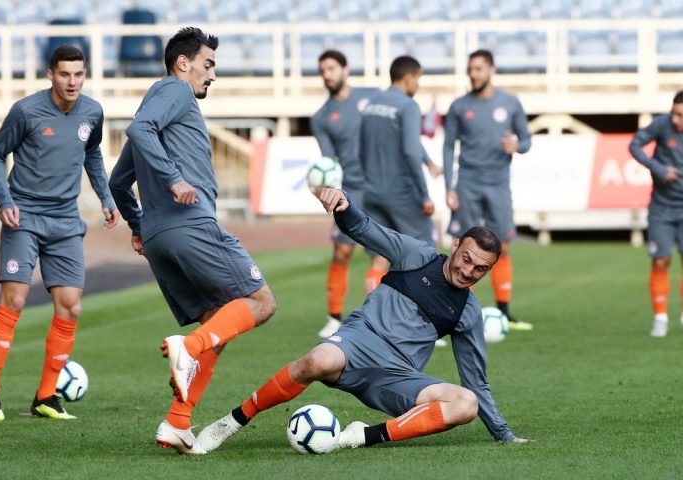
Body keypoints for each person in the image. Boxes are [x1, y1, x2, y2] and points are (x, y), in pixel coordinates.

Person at [193, 188, 529, 454]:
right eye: (466, 259)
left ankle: (360, 436)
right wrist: (344, 205)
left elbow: (475, 381)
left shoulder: (468, 312)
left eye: (480, 269)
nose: (468, 271)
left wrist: (504, 434)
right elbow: (363, 228)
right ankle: (232, 421)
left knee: (465, 404)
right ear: (455, 245)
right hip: (357, 343)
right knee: (316, 361)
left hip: (398, 378)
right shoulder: (415, 255)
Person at [108, 27, 277, 455]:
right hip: (191, 225)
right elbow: (140, 129)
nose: (212, 75)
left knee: (218, 322)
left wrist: (138, 226)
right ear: (183, 63)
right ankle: (189, 348)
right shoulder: (176, 91)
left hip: (159, 238)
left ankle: (177, 422)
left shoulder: (156, 107)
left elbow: (118, 181)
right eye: (208, 64)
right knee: (261, 302)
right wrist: (174, 179)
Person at [0, 45, 119, 421]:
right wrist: (5, 201)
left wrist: (106, 197)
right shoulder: (26, 111)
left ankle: (46, 397)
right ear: (50, 74)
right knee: (15, 300)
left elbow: (92, 154)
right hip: (24, 217)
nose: (72, 81)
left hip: (65, 220)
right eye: (64, 74)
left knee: (71, 306)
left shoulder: (92, 112)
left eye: (78, 74)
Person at [443, 49, 532, 330]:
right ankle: (457, 311)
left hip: (498, 184)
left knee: (502, 246)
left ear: (491, 70)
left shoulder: (510, 103)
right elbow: (448, 146)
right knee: (463, 249)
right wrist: (449, 187)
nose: (473, 74)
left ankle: (504, 312)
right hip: (467, 183)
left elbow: (527, 140)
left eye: (478, 69)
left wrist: (517, 146)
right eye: (470, 69)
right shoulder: (459, 106)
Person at [310, 50, 380, 338]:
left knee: (383, 253)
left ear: (345, 69)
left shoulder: (372, 96)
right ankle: (334, 317)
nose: (327, 75)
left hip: (381, 186)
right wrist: (323, 186)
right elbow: (328, 162)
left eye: (331, 68)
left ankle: (381, 317)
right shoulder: (321, 117)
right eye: (322, 70)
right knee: (342, 251)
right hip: (350, 190)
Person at [359, 55, 437, 294]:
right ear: (408, 78)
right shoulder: (408, 105)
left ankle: (373, 313)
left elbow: (361, 148)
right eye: (418, 79)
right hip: (401, 193)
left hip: (371, 192)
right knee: (425, 254)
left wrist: (428, 161)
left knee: (380, 256)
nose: (418, 85)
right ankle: (423, 315)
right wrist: (424, 195)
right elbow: (410, 150)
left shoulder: (371, 105)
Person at [629, 91, 683, 337]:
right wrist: (658, 168)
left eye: (680, 115)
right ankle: (660, 317)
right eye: (674, 113)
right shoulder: (662, 124)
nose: (675, 119)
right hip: (662, 207)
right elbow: (635, 145)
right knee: (661, 260)